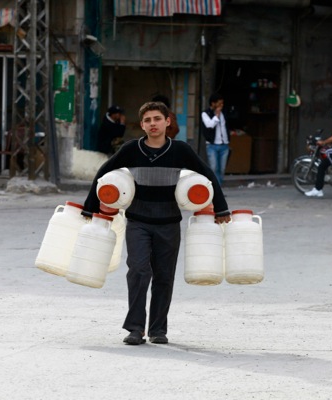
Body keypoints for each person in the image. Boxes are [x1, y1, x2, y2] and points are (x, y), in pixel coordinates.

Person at [82, 101, 231, 345]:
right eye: (148, 120)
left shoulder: (180, 150)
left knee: (164, 276)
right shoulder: (131, 149)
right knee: (138, 271)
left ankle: (158, 329)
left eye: (157, 119)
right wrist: (90, 206)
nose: (153, 124)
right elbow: (103, 172)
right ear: (142, 125)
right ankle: (135, 328)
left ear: (167, 121)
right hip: (138, 221)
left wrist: (221, 208)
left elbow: (208, 175)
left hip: (169, 223)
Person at [201, 93, 232, 185]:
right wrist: (216, 115)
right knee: (214, 168)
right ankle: (215, 189)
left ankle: (219, 187)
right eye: (219, 103)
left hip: (224, 145)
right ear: (213, 103)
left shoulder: (224, 113)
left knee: (222, 169)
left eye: (222, 104)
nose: (221, 106)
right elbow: (210, 125)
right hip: (212, 145)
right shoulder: (205, 113)